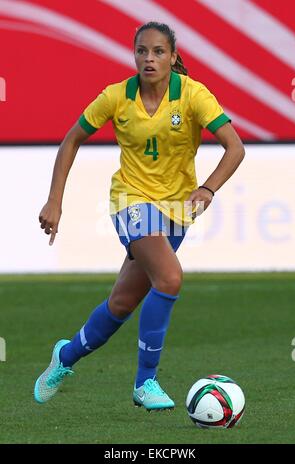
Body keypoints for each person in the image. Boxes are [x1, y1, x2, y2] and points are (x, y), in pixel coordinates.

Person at [34, 22, 245, 411]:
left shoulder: (194, 96)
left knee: (122, 303)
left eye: (158, 52)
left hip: (178, 211)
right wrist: (54, 201)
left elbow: (235, 147)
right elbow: (71, 140)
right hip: (130, 201)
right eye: (142, 51)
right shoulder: (116, 97)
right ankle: (145, 382)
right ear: (134, 55)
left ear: (173, 57)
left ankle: (64, 358)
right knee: (170, 277)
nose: (149, 59)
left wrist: (208, 188)